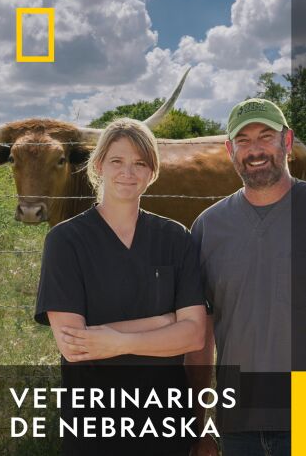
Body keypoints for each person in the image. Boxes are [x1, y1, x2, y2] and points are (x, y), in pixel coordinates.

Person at [35, 117, 206, 455]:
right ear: (98, 165)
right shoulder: (65, 241)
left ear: (152, 172)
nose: (128, 172)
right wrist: (164, 322)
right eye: (117, 161)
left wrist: (114, 340)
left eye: (140, 163)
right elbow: (74, 346)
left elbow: (195, 335)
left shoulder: (175, 238)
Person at [187, 98, 306, 456]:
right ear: (229, 150)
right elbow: (198, 335)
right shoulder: (209, 227)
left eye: (265, 136)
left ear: (287, 142)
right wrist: (199, 423)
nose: (255, 150)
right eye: (243, 140)